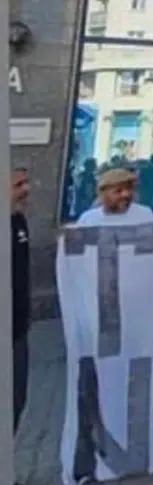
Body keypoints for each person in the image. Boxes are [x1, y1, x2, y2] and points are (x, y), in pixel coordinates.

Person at [10, 167, 30, 459]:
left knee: (16, 400)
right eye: (18, 184)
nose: (27, 189)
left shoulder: (18, 221)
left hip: (18, 329)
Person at [76, 168, 153, 225]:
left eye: (129, 189)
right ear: (102, 194)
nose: (126, 194)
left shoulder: (145, 215)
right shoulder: (88, 219)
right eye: (118, 191)